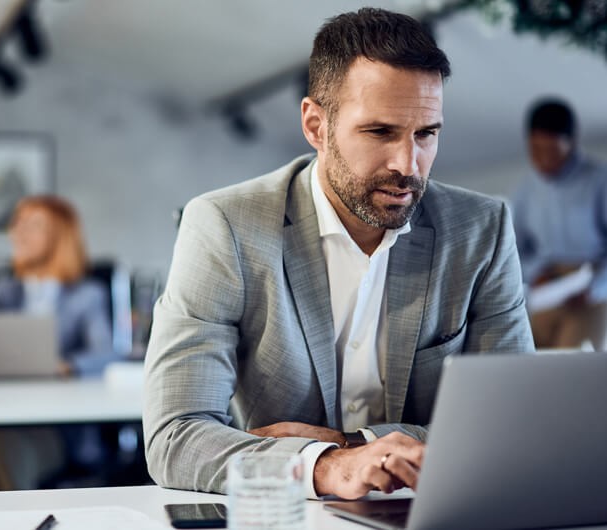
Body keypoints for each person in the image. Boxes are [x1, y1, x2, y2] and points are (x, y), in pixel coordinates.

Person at [143, 7, 534, 500]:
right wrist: (329, 468)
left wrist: (351, 445)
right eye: (380, 132)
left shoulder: (482, 230)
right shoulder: (226, 227)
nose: (407, 165)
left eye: (426, 134)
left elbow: (511, 429)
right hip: (284, 517)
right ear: (315, 125)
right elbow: (176, 437)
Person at [0, 195, 123, 490]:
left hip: (59, 428)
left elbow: (106, 354)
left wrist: (65, 366)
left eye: (33, 225)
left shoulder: (87, 294)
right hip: (5, 413)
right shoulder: (6, 289)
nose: (18, 232)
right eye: (17, 223)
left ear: (60, 235)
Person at [511, 98, 607, 351]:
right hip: (547, 290)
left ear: (572, 143)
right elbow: (514, 250)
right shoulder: (525, 190)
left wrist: (598, 287)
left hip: (594, 291)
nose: (543, 161)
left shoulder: (604, 179)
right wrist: (536, 273)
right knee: (528, 365)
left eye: (551, 152)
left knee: (579, 371)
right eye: (535, 150)